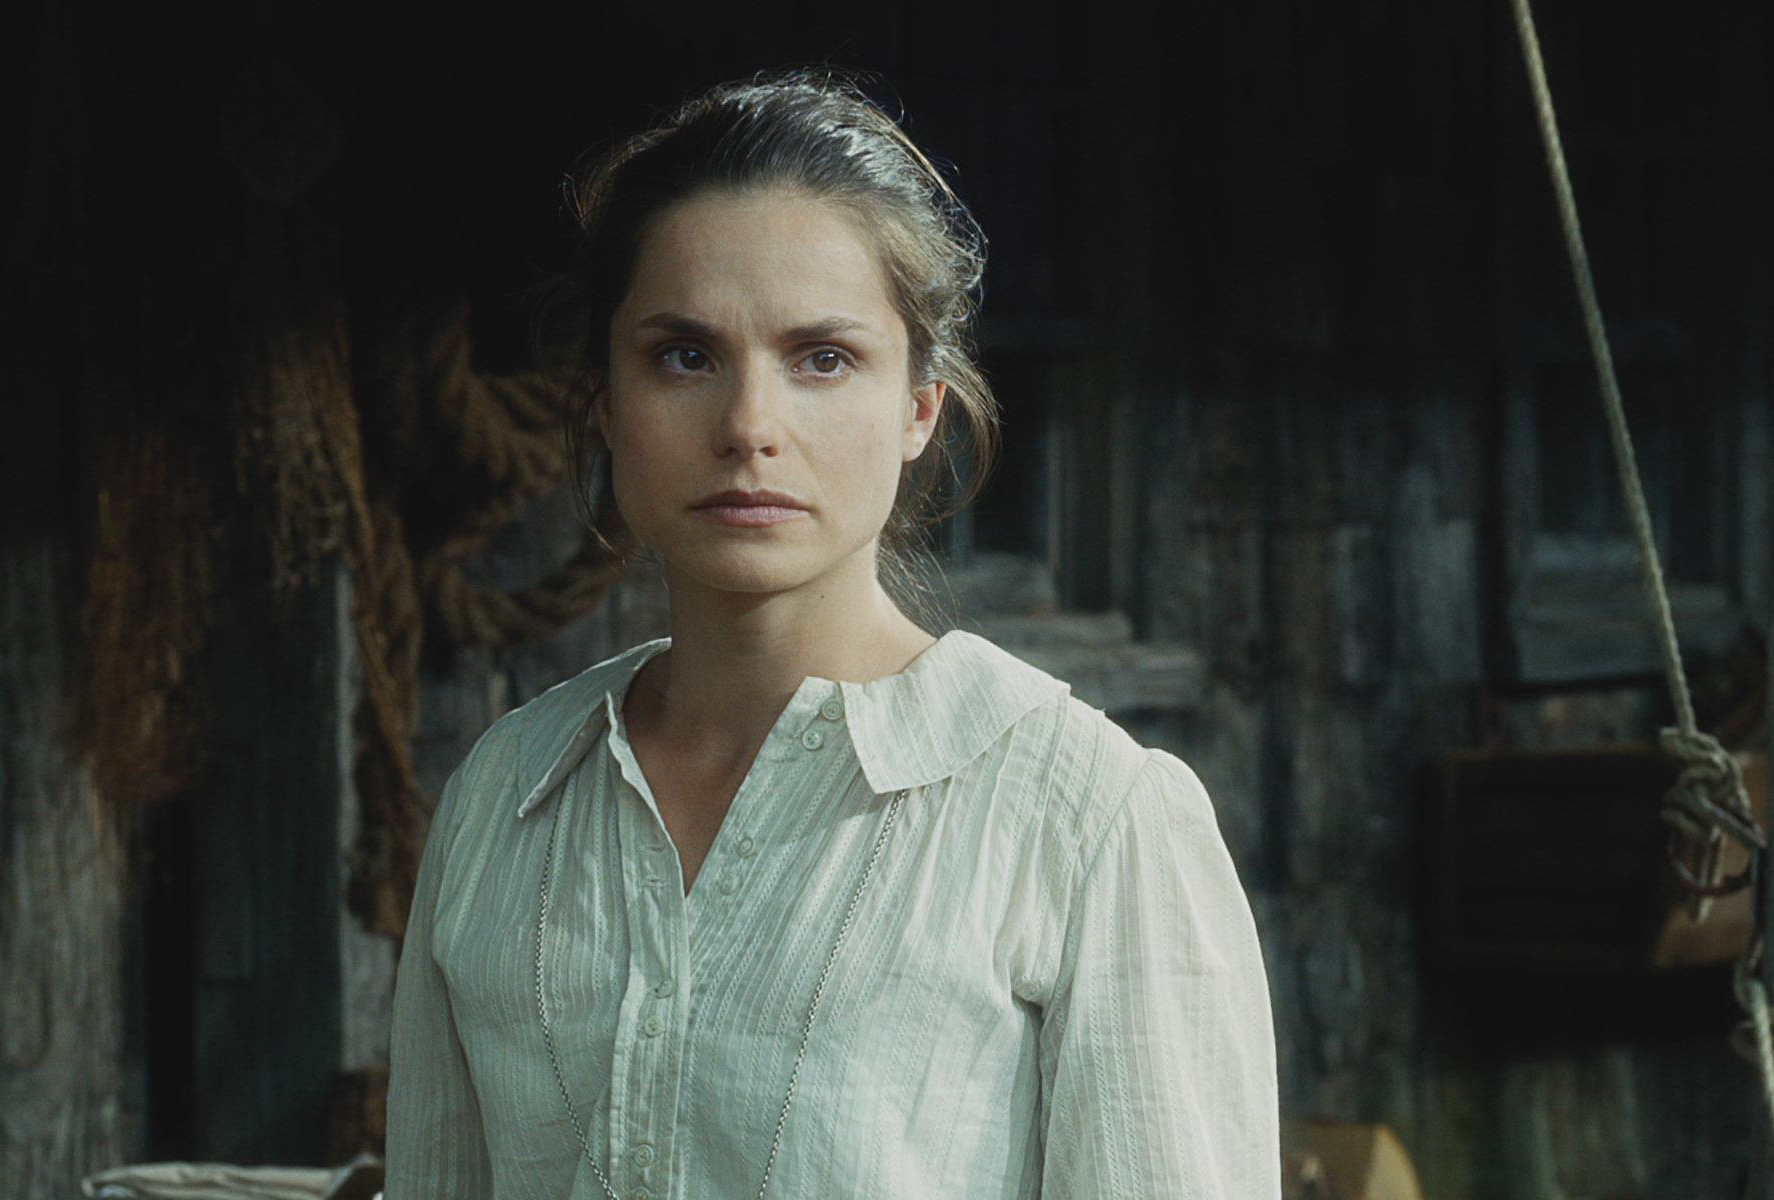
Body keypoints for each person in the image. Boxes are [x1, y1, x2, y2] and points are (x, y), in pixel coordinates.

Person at [383, 72, 1279, 1199]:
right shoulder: (506, 799)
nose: (749, 427)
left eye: (823, 358)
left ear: (919, 408)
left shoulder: (1086, 820)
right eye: (684, 355)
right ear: (604, 401)